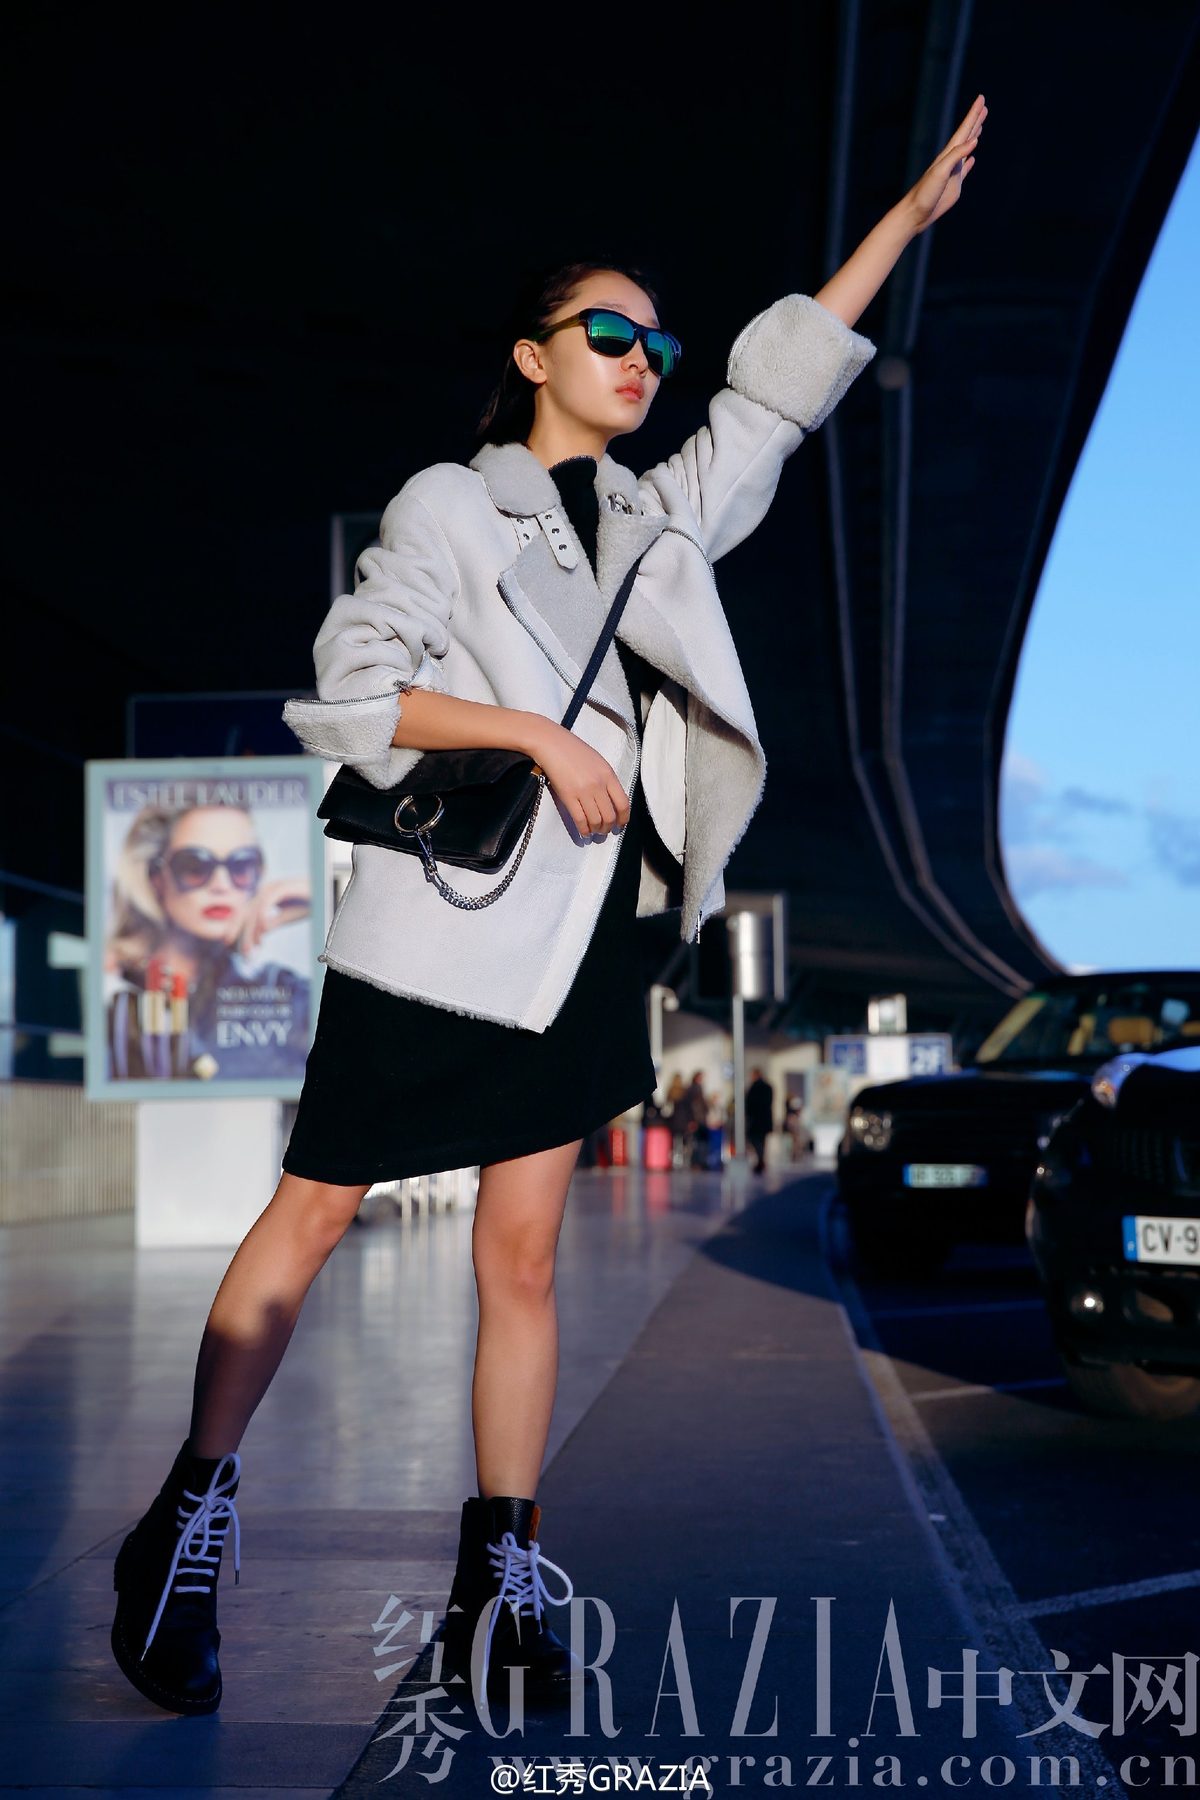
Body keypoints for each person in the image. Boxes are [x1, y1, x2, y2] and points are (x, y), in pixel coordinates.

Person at [109, 97, 986, 1719]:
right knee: (312, 1214)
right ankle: (191, 1514)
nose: (641, 358)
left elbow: (776, 399)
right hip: (439, 933)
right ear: (532, 354)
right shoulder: (451, 502)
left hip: (584, 954)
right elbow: (353, 688)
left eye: (654, 340)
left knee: (522, 1264)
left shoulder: (664, 520)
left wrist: (901, 229)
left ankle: (498, 1577)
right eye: (607, 333)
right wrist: (521, 729)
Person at [103, 802, 312, 1083]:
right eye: (194, 865)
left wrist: (312, 893)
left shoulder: (281, 991)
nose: (221, 884)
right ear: (157, 878)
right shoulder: (116, 996)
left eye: (242, 865)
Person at [745, 1067, 776, 1174]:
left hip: (756, 1120)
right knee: (762, 1141)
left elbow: (749, 1104)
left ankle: (761, 1160)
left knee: (755, 1139)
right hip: (765, 1119)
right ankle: (761, 1160)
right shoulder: (768, 1087)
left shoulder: (754, 1088)